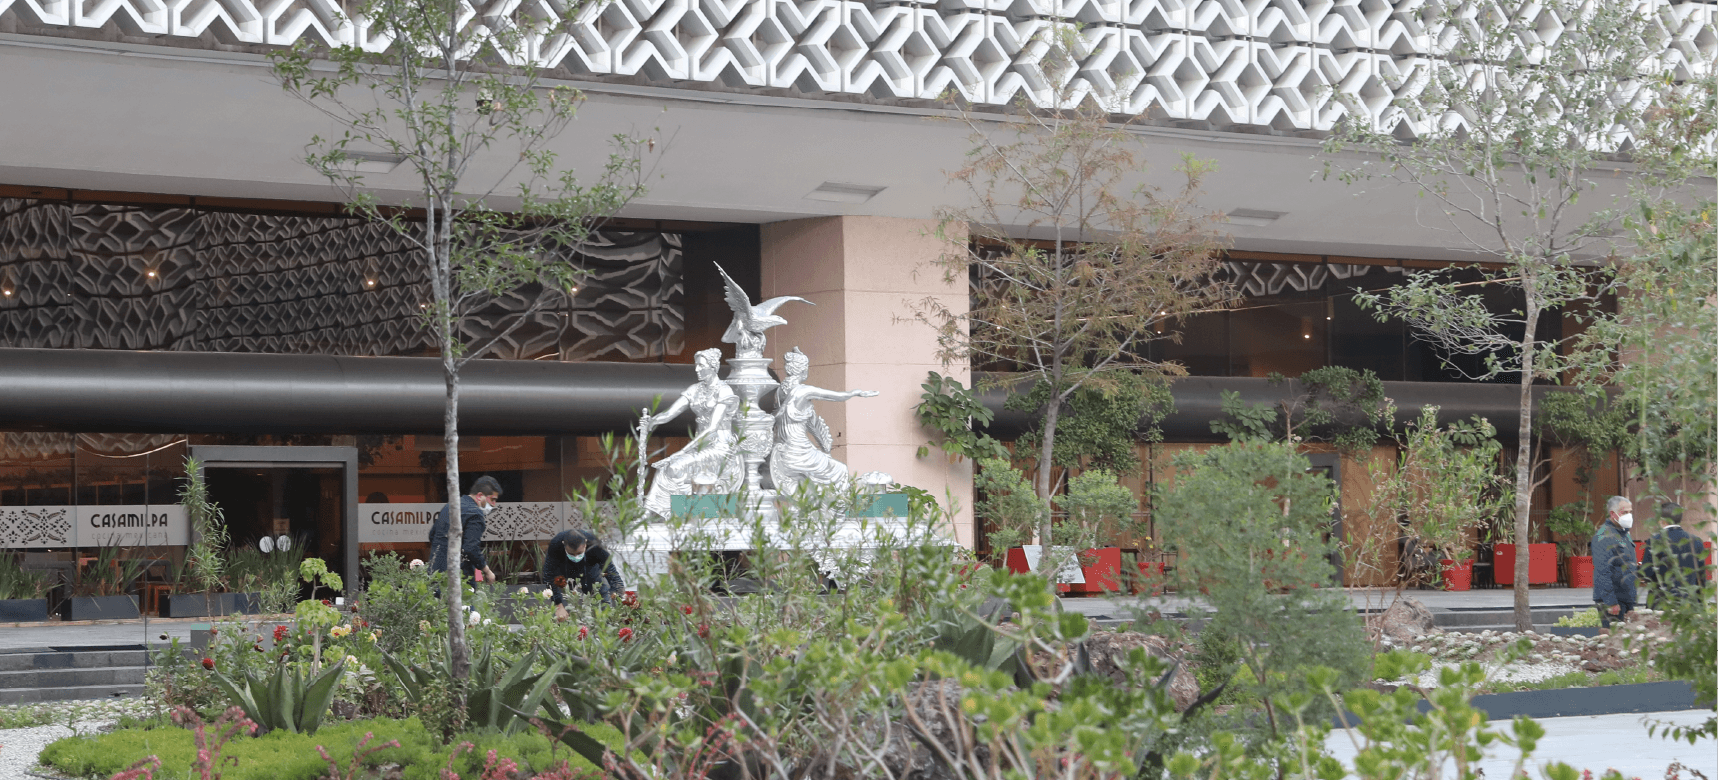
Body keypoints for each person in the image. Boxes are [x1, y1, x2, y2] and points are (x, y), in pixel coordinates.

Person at [640, 348, 743, 518]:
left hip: (719, 448)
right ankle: (654, 511)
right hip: (700, 446)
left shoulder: (724, 391)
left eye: (701, 366)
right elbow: (669, 414)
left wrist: (680, 452)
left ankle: (671, 511)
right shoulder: (695, 389)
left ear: (713, 366)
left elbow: (712, 428)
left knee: (674, 466)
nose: (697, 370)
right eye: (696, 366)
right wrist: (652, 421)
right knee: (667, 469)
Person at [769, 347, 879, 496]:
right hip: (799, 452)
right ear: (803, 370)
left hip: (782, 449)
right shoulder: (804, 391)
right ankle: (837, 510)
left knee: (826, 471)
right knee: (840, 470)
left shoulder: (779, 392)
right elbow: (835, 396)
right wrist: (855, 393)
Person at [429, 476, 500, 585]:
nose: (494, 504)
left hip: (436, 572)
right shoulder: (475, 514)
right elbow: (470, 548)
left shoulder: (450, 506)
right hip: (458, 576)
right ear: (480, 496)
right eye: (492, 499)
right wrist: (487, 570)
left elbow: (432, 535)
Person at [541, 529, 624, 619]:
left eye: (579, 553)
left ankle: (604, 620)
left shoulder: (594, 543)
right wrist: (558, 605)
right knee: (565, 614)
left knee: (602, 604)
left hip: (590, 570)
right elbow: (549, 574)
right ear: (564, 544)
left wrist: (618, 591)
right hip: (565, 573)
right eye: (572, 554)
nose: (576, 556)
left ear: (585, 543)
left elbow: (609, 567)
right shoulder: (556, 544)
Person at [1642, 501, 1708, 609]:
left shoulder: (1654, 541)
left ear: (1662, 521)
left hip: (1661, 602)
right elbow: (1701, 576)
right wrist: (1700, 601)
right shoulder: (1696, 541)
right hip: (1689, 602)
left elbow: (1647, 573)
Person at [1590, 495, 1639, 630]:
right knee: (1615, 641)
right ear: (1613, 514)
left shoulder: (1623, 533)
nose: (1629, 516)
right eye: (1625, 512)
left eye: (1630, 512)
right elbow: (1602, 571)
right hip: (1613, 600)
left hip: (1626, 597)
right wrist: (1610, 602)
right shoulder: (1604, 536)